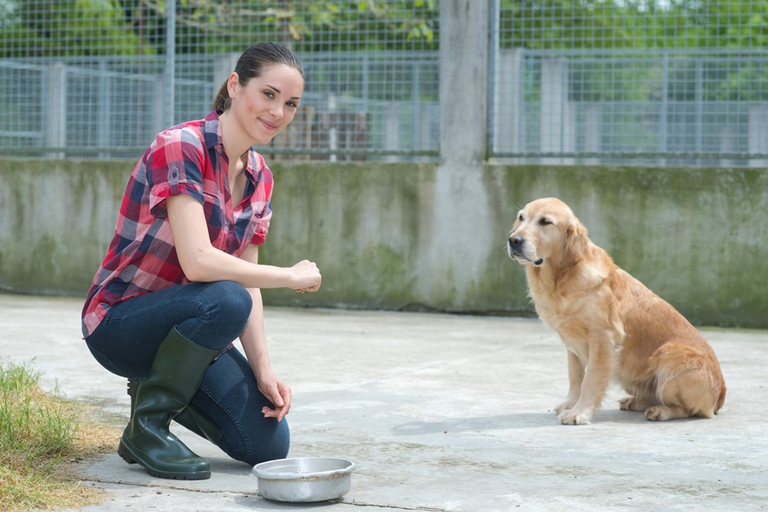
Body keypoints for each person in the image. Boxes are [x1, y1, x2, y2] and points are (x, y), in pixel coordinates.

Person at [81, 42, 321, 481]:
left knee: (267, 443)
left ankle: (155, 389)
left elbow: (247, 278)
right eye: (268, 95)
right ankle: (148, 429)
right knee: (227, 299)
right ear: (235, 85)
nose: (278, 112)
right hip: (120, 323)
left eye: (290, 104)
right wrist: (289, 276)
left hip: (191, 328)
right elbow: (199, 263)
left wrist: (265, 371)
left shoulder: (260, 177)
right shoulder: (181, 145)